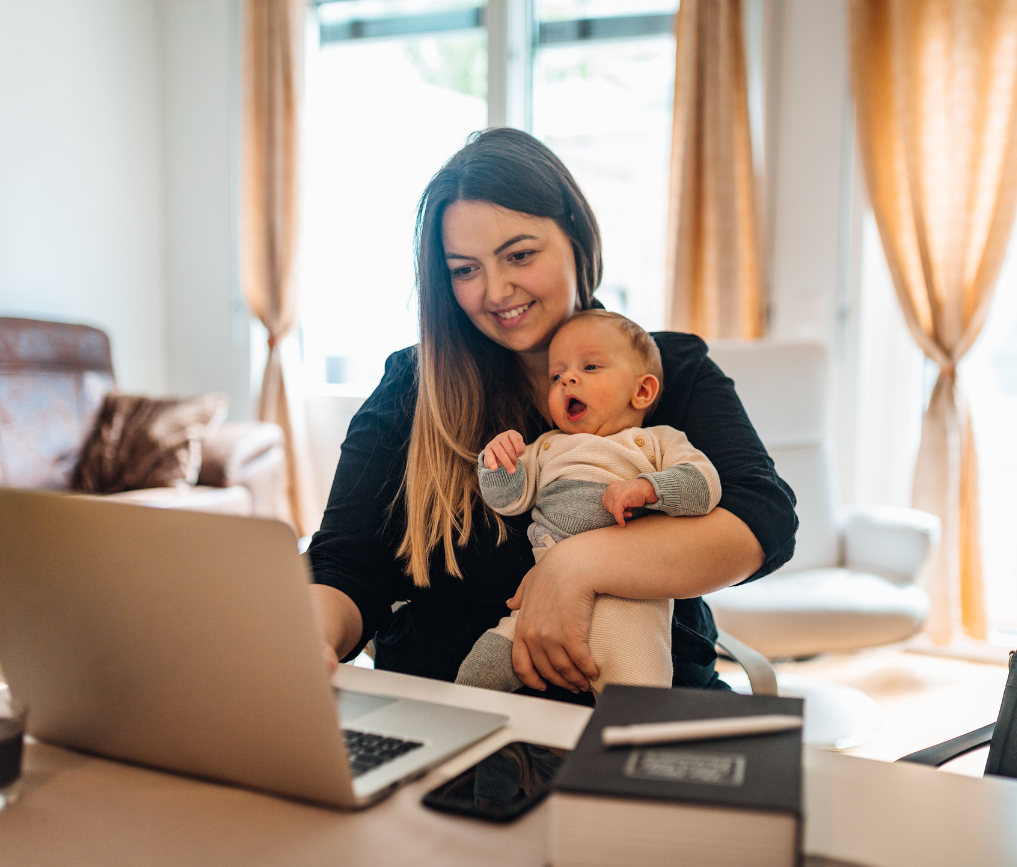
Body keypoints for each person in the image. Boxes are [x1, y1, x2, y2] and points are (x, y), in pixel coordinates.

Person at [307, 127, 797, 703]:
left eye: (519, 255)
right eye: (465, 269)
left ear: (577, 238)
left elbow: (761, 519)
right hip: (452, 713)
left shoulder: (668, 370)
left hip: (640, 710)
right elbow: (345, 565)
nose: (495, 290)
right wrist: (308, 640)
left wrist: (574, 566)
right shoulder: (413, 387)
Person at [456, 309, 722, 696]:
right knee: (479, 673)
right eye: (556, 376)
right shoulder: (547, 445)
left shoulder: (659, 441)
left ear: (642, 391)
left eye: (591, 366)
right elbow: (508, 501)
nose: (568, 379)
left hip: (630, 604)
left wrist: (650, 489)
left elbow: (704, 486)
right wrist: (498, 461)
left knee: (636, 711)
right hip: (542, 601)